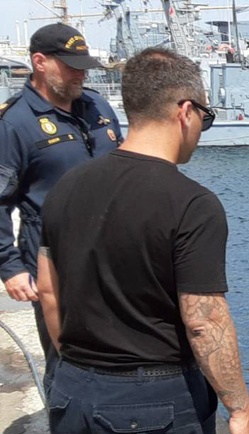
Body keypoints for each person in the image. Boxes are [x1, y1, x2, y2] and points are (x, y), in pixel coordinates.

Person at [35, 47, 249, 434]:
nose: (203, 127)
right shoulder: (192, 203)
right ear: (184, 111)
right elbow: (204, 322)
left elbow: (49, 289)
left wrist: (76, 360)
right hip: (154, 397)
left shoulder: (68, 186)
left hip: (75, 385)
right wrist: (240, 408)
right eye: (206, 114)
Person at [0, 23, 122, 375]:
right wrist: (10, 267)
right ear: (40, 62)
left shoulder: (96, 107)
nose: (81, 74)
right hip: (56, 261)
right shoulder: (15, 124)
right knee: (67, 361)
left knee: (121, 355)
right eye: (71, 66)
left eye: (84, 66)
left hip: (113, 253)